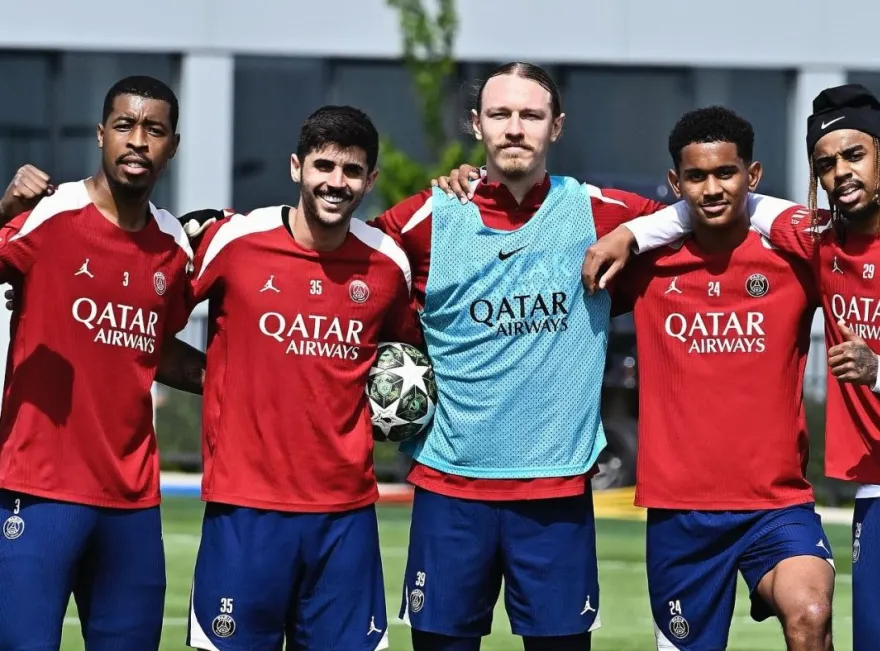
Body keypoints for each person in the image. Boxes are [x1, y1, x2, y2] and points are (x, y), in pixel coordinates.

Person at [588, 84, 880, 650]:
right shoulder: (819, 247)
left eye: (855, 155)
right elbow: (735, 204)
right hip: (868, 495)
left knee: (816, 611)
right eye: (825, 163)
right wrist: (633, 230)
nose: (841, 172)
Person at [369, 62, 675, 651]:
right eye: (500, 114)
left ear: (555, 127)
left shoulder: (603, 214)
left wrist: (633, 236)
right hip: (451, 490)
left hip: (555, 495)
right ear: (475, 125)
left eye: (531, 115)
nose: (515, 128)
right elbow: (337, 252)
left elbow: (703, 206)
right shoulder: (423, 219)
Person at [184, 105, 421, 651]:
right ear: (296, 167)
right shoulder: (235, 242)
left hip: (346, 516)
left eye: (352, 171)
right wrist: (218, 375)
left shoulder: (388, 265)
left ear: (371, 180)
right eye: (324, 166)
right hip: (245, 510)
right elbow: (153, 320)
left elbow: (405, 356)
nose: (336, 183)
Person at [604, 106, 834, 650]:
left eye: (726, 173)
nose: (712, 188)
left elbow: (867, 231)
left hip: (776, 505)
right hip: (680, 513)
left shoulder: (795, 257)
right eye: (696, 176)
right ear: (674, 182)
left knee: (811, 611)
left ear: (751, 177)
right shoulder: (644, 264)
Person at [0, 76, 203, 651]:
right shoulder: (48, 215)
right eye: (125, 126)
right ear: (100, 135)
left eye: (154, 130)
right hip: (37, 490)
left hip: (131, 504)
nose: (138, 141)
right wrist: (6, 207)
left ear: (173, 145)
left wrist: (233, 381)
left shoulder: (173, 248)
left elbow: (151, 347)